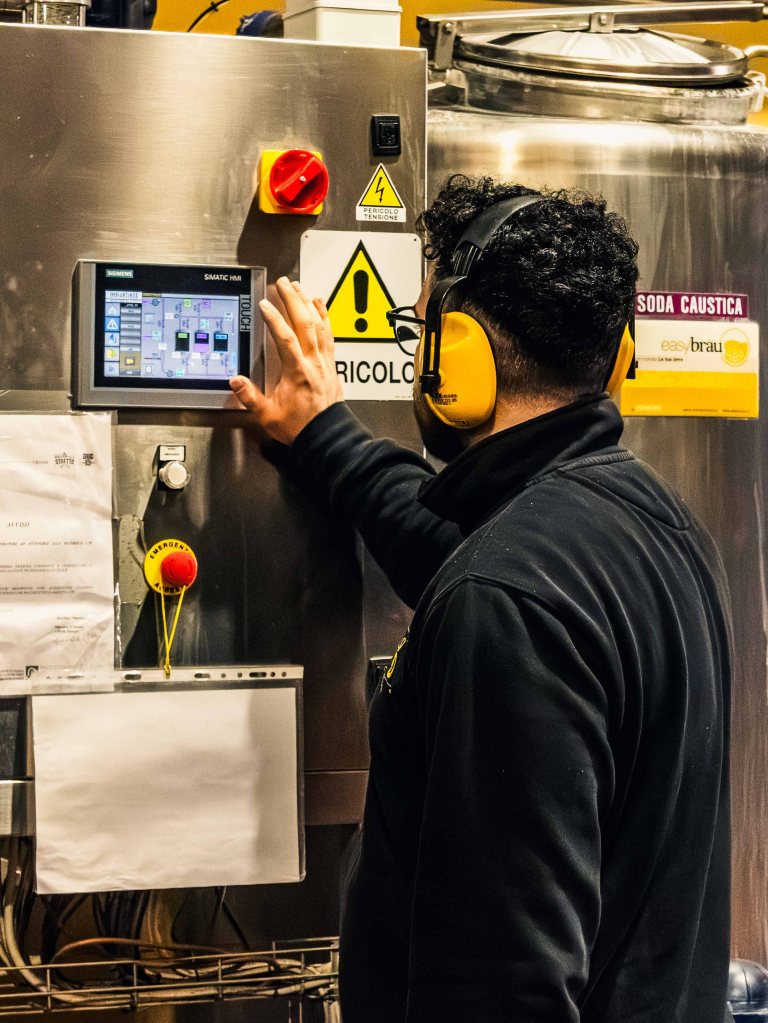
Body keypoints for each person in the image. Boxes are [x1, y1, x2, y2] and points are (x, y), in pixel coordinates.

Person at [229, 176, 732, 1023]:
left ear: (451, 356)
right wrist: (324, 434)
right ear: (617, 356)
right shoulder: (654, 527)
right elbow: (449, 539)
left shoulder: (508, 595)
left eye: (420, 328)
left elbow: (502, 987)